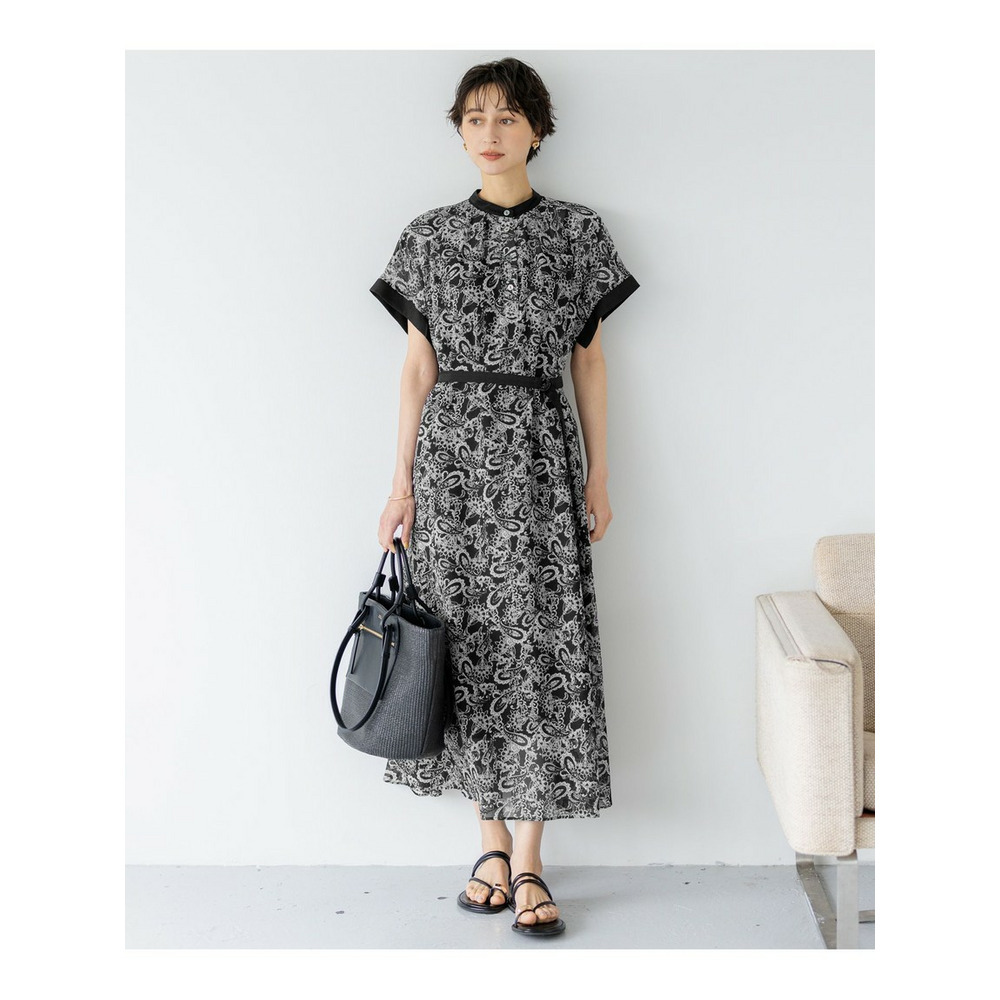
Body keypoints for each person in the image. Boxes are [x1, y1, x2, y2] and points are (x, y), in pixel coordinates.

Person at [370, 57, 639, 937]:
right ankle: (488, 848)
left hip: (538, 456)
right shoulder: (427, 237)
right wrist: (400, 484)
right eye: (475, 118)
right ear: (459, 132)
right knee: (469, 648)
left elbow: (589, 361)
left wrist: (598, 472)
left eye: (508, 117)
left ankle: (529, 861)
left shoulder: (577, 232)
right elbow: (417, 368)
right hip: (450, 468)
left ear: (537, 131)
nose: (490, 133)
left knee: (541, 646)